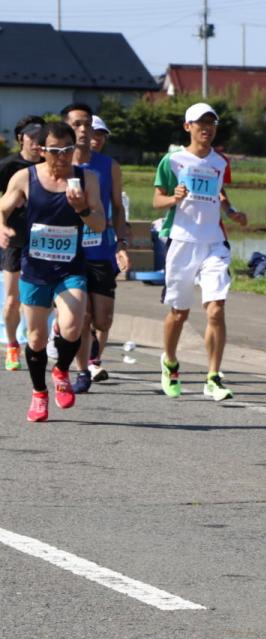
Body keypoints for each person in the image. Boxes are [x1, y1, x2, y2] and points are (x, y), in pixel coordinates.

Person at [0, 121, 106, 420]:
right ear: (42, 150)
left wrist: (83, 209)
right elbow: (2, 208)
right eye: (56, 151)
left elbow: (99, 224)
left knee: (73, 325)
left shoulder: (87, 180)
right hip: (35, 268)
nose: (62, 157)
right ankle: (39, 392)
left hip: (70, 267)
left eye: (68, 150)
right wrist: (2, 228)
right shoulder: (25, 178)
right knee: (34, 338)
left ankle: (60, 372)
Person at [153, 102, 248, 401]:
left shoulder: (221, 162)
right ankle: (169, 362)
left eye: (211, 123)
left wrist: (231, 211)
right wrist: (173, 198)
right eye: (199, 123)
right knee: (179, 313)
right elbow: (156, 200)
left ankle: (213, 376)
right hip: (182, 240)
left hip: (213, 242)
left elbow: (220, 193)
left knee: (216, 310)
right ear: (188, 127)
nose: (206, 128)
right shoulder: (172, 160)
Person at [61, 103, 131, 392]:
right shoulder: (59, 165)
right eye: (76, 124)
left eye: (86, 124)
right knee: (84, 314)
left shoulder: (108, 166)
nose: (82, 130)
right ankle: (83, 369)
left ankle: (81, 344)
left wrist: (122, 243)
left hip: (101, 248)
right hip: (71, 252)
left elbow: (117, 207)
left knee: (103, 320)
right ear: (67, 128)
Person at [0, 115, 44, 371]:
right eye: (32, 137)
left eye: (42, 138)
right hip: (15, 239)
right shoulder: (8, 166)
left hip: (44, 241)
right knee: (11, 300)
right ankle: (12, 344)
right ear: (21, 139)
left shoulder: (49, 166)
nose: (37, 143)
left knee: (37, 300)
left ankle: (37, 343)